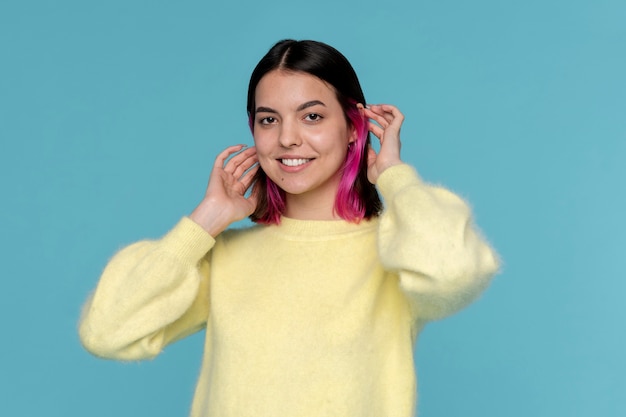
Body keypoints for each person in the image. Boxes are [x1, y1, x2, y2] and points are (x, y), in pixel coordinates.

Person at [79, 39, 499, 417]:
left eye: (311, 116)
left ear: (355, 128)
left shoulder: (395, 251)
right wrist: (206, 220)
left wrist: (393, 175)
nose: (287, 139)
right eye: (268, 120)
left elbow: (453, 267)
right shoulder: (223, 256)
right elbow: (107, 331)